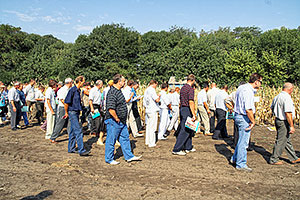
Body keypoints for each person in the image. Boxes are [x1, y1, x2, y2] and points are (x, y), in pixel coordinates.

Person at [105, 74, 142, 165]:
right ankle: (109, 159)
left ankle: (129, 156)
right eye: (123, 81)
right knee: (111, 140)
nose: (125, 82)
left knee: (125, 138)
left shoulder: (119, 91)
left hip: (121, 120)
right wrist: (116, 118)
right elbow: (110, 108)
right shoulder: (112, 92)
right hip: (114, 121)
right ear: (119, 82)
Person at [231, 73, 263, 172]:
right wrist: (253, 121)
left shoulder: (241, 88)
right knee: (244, 142)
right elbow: (248, 109)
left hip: (237, 115)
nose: (261, 84)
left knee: (240, 139)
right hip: (243, 117)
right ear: (256, 81)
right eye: (260, 82)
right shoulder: (248, 91)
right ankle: (241, 164)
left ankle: (235, 158)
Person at [269, 83, 300, 165]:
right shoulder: (286, 98)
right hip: (283, 121)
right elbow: (288, 113)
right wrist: (292, 126)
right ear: (290, 89)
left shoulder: (277, 97)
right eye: (292, 89)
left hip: (278, 119)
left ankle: (293, 158)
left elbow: (272, 108)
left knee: (286, 140)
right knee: (281, 140)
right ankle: (274, 159)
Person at [64, 76, 90, 156]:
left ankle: (71, 148)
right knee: (78, 131)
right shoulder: (72, 90)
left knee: (72, 131)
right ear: (80, 82)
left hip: (76, 112)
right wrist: (66, 112)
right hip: (72, 112)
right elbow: (66, 102)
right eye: (83, 81)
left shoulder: (78, 91)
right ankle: (81, 150)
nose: (84, 83)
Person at [172, 74, 197, 155]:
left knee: (188, 128)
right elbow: (191, 101)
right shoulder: (190, 89)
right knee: (185, 130)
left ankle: (188, 146)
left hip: (182, 108)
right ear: (193, 80)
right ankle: (177, 149)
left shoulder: (183, 88)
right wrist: (194, 114)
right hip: (187, 109)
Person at [50, 78, 73, 143]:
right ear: (70, 82)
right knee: (60, 122)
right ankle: (53, 137)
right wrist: (67, 106)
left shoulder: (69, 89)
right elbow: (62, 100)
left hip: (68, 107)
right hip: (62, 108)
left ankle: (71, 136)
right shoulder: (62, 90)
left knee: (70, 123)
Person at [143, 80, 160, 148]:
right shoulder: (152, 90)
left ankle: (147, 141)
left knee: (148, 126)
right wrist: (159, 95)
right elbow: (157, 99)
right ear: (154, 84)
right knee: (153, 127)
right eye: (156, 85)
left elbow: (144, 102)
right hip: (153, 109)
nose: (156, 86)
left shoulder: (146, 90)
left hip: (148, 109)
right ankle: (152, 143)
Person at [89, 80, 105, 144]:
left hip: (98, 106)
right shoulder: (93, 90)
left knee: (99, 120)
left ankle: (97, 133)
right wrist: (92, 108)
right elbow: (90, 100)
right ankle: (95, 132)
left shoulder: (99, 91)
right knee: (96, 120)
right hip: (94, 106)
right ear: (99, 84)